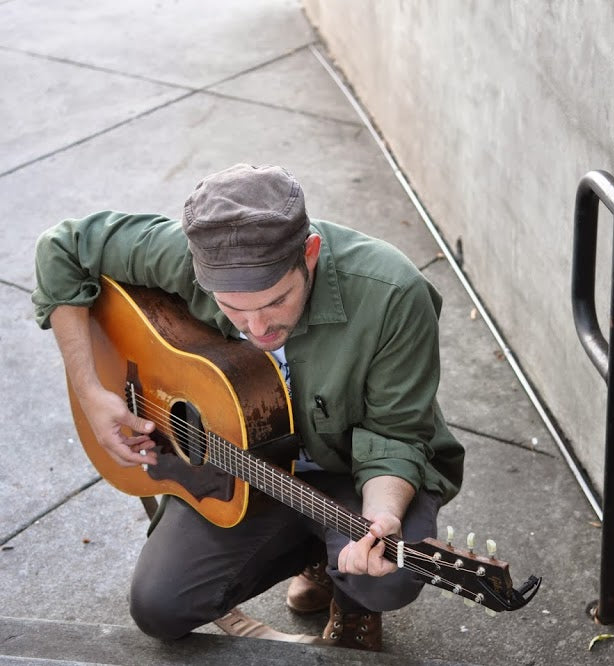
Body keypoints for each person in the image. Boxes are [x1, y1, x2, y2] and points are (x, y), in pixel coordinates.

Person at [32, 164, 464, 651]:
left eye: (276, 301)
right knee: (160, 609)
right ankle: (315, 556)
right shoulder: (186, 252)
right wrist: (90, 391)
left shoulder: (393, 295)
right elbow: (61, 247)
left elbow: (396, 436)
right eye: (233, 307)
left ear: (311, 255)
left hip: (353, 469)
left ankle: (347, 587)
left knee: (385, 576)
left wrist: (381, 519)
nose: (256, 328)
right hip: (240, 463)